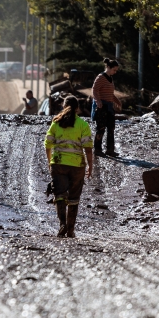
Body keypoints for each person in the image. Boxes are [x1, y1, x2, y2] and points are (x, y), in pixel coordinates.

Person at [44, 95, 94, 238]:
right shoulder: (83, 125)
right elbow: (88, 148)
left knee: (59, 195)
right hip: (77, 166)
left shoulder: (56, 123)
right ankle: (71, 230)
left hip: (58, 163)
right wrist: (90, 166)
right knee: (74, 198)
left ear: (63, 106)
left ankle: (62, 224)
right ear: (77, 108)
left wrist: (50, 162)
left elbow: (48, 145)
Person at [91, 58, 122, 157]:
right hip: (102, 107)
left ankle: (110, 149)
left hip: (109, 107)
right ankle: (97, 149)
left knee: (111, 128)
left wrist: (117, 101)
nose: (115, 72)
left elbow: (110, 94)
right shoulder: (100, 77)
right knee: (101, 128)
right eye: (114, 70)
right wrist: (98, 101)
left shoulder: (110, 79)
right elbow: (94, 90)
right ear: (108, 67)